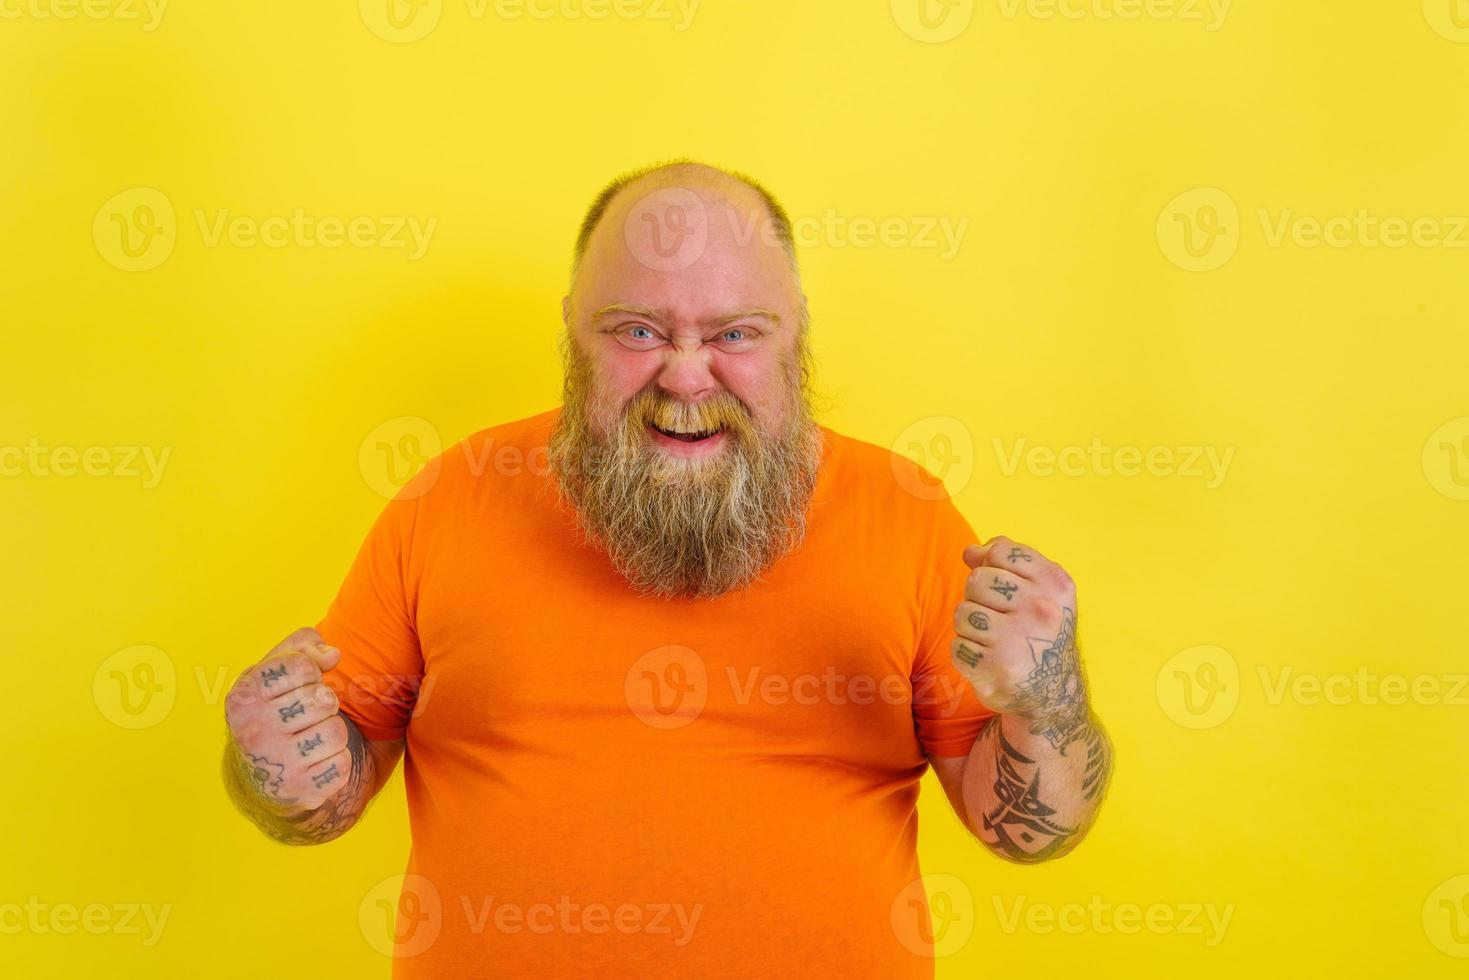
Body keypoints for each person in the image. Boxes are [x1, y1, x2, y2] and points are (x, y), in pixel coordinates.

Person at [220, 159, 1114, 977]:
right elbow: (323, 796)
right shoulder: (452, 496)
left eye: (734, 332)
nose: (685, 377)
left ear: (795, 338)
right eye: (638, 330)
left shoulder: (904, 510)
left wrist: (1048, 702)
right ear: (573, 332)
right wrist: (273, 768)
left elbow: (1023, 833)